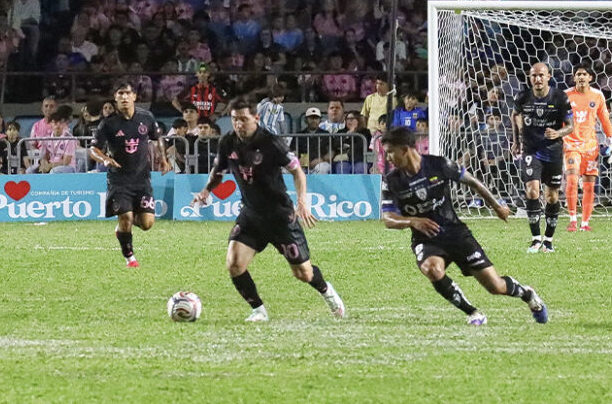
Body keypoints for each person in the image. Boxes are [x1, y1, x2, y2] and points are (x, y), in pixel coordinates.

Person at [191, 97, 345, 322]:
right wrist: (206, 191)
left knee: (303, 273)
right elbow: (218, 172)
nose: (239, 125)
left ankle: (327, 291)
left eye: (243, 119)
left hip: (280, 216)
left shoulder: (271, 142)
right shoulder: (227, 143)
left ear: (256, 118)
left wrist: (302, 201)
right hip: (251, 215)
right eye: (234, 120)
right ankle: (258, 310)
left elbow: (297, 172)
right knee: (234, 264)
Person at [381, 126, 548, 326]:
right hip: (425, 239)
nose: (388, 157)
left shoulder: (439, 165)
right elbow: (389, 218)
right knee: (432, 269)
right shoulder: (391, 181)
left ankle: (527, 294)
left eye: (390, 151)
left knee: (495, 287)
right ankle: (474, 313)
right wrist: (412, 221)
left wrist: (496, 206)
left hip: (455, 233)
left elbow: (474, 182)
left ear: (405, 149)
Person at [90, 81, 170, 267]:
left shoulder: (146, 117)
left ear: (134, 96)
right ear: (116, 98)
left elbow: (157, 139)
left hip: (142, 179)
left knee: (147, 224)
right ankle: (130, 258)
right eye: (120, 94)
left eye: (127, 93)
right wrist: (104, 160)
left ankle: (122, 227)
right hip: (119, 179)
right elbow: (94, 149)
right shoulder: (108, 124)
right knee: (126, 217)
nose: (124, 97)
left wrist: (164, 159)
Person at [511, 62, 573, 253]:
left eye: (541, 75)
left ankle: (548, 240)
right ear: (530, 78)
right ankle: (535, 238)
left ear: (548, 76)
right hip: (531, 150)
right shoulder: (523, 97)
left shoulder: (560, 97)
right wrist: (516, 141)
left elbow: (570, 126)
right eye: (533, 76)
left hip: (553, 151)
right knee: (532, 191)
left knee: (552, 196)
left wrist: (558, 133)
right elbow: (514, 115)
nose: (537, 79)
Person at [564, 64, 612, 232]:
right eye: (578, 74)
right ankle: (572, 219)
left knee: (589, 185)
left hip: (591, 147)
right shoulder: (566, 96)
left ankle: (585, 223)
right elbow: (559, 119)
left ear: (590, 77)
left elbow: (605, 119)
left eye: (584, 74)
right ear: (574, 77)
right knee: (572, 180)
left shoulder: (597, 95)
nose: (581, 77)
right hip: (571, 145)